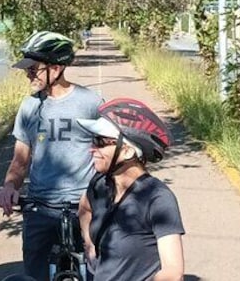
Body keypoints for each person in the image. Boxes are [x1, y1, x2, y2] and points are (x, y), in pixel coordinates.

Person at [0, 30, 103, 281]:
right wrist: (9, 187)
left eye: (34, 68)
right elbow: (20, 160)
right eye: (27, 69)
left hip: (84, 207)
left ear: (57, 67)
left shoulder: (91, 103)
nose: (28, 74)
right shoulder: (29, 107)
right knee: (34, 275)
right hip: (39, 207)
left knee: (98, 271)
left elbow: (107, 154)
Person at [76, 98, 185, 281]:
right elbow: (84, 209)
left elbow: (173, 272)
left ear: (128, 151)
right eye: (93, 141)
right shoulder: (100, 184)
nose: (92, 149)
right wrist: (89, 245)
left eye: (101, 142)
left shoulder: (157, 198)